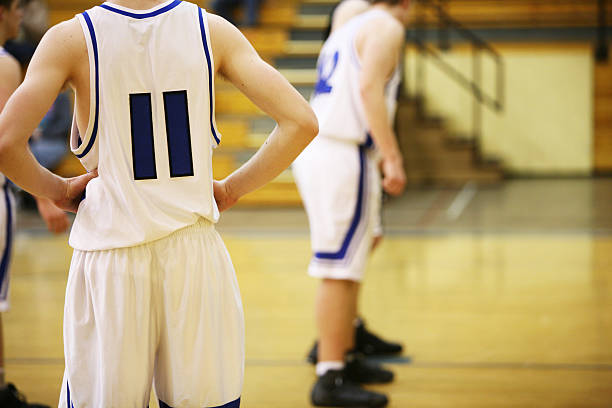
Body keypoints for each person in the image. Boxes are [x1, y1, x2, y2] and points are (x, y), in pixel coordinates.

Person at [0, 0, 318, 406]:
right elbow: (302, 122)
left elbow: (7, 144)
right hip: (194, 255)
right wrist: (232, 189)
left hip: (112, 258)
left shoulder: (70, 39)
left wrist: (59, 190)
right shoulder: (213, 30)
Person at [292, 0, 411, 406]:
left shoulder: (349, 19)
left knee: (360, 247)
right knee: (338, 269)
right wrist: (392, 155)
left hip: (328, 150)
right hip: (343, 151)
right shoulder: (387, 26)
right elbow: (367, 90)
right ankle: (330, 375)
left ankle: (343, 343)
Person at [0, 0, 65, 407]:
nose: (20, 15)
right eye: (15, 8)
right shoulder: (4, 63)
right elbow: (9, 142)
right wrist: (47, 194)